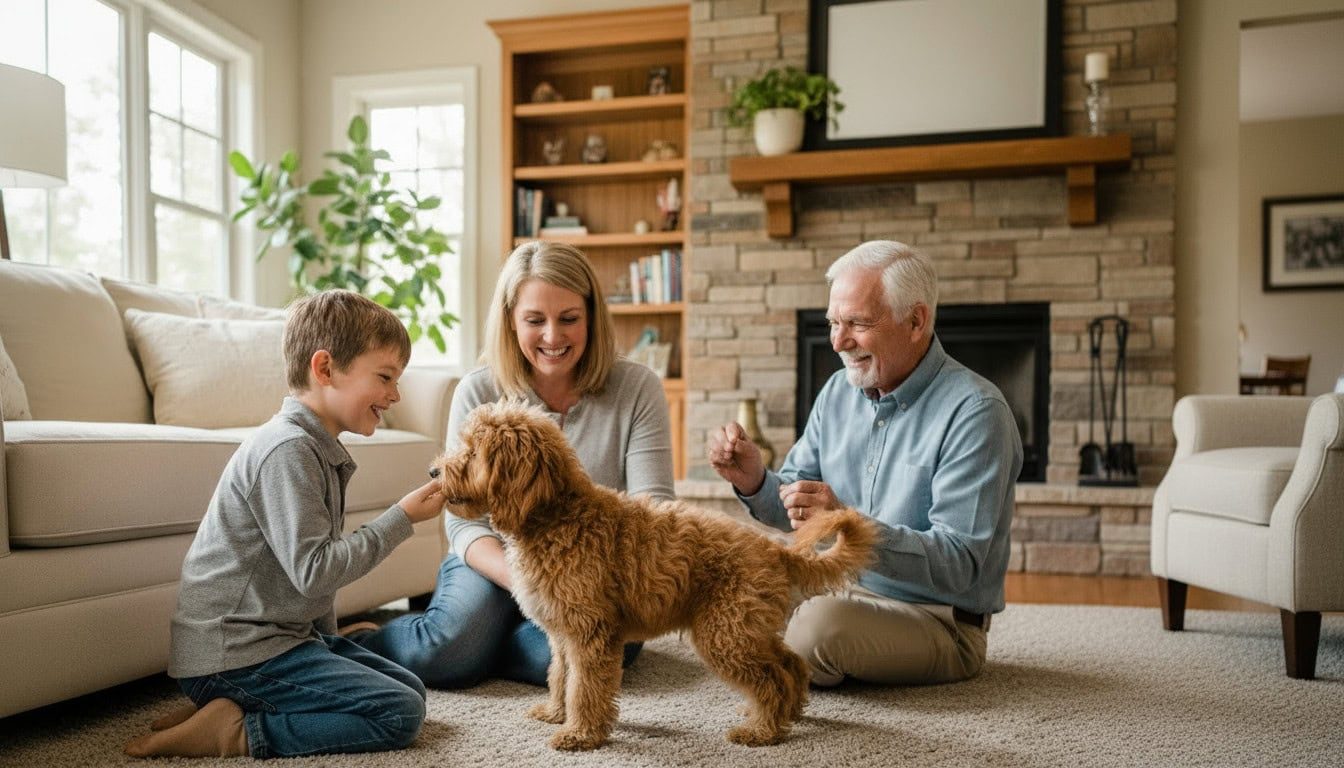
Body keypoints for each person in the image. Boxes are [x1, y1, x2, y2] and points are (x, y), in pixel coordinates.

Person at [124, 290, 446, 759]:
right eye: (385, 377)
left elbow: (307, 584)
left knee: (409, 687)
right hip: (233, 655)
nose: (395, 394)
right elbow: (315, 571)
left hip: (275, 643)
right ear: (324, 369)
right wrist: (401, 519)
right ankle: (234, 730)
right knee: (399, 713)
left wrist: (328, 644)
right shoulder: (288, 451)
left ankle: (220, 708)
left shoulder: (315, 447)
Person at [350, 241, 675, 687]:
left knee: (568, 654)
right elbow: (463, 522)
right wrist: (529, 584)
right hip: (492, 557)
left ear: (592, 318)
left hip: (598, 571)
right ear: (510, 321)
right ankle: (362, 642)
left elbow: (652, 510)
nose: (553, 337)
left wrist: (565, 592)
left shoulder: (638, 388)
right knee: (448, 653)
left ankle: (488, 644)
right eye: (534, 320)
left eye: (569, 319)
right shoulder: (478, 390)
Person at [707, 240, 1021, 687]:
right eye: (834, 322)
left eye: (857, 323)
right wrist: (754, 479)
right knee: (728, 585)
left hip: (937, 620)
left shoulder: (977, 412)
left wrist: (847, 526)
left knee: (816, 630)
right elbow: (797, 510)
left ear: (916, 321)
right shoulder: (838, 391)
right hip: (833, 585)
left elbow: (960, 563)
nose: (838, 341)